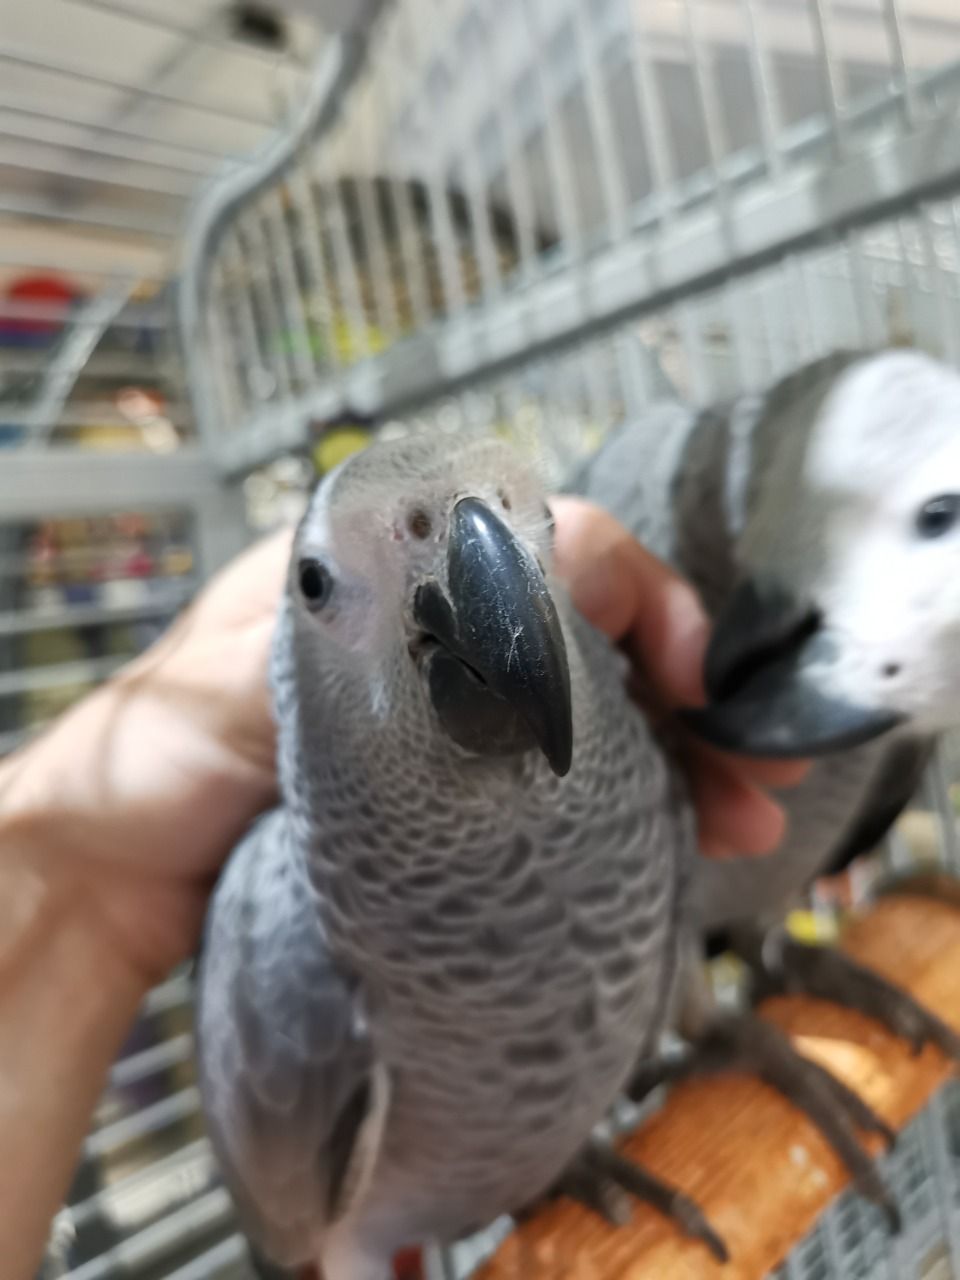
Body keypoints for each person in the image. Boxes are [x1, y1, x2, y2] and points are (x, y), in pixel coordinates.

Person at [0, 497, 807, 1279]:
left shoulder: (638, 802)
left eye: (531, 519)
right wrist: (75, 866)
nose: (458, 534)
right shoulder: (293, 919)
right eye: (318, 585)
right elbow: (309, 1243)